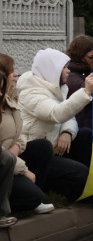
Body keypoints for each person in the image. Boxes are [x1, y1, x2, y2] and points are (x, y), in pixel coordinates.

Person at [18, 48, 93, 170]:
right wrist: (86, 92)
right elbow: (56, 113)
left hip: (53, 144)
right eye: (64, 67)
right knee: (80, 173)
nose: (68, 71)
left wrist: (67, 132)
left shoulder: (56, 87)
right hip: (37, 154)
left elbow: (69, 114)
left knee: (85, 134)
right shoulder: (31, 92)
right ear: (52, 69)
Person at [0, 54, 57, 215]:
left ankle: (34, 197)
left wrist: (17, 146)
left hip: (12, 157)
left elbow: (21, 133)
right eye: (11, 71)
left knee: (43, 147)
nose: (16, 74)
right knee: (32, 196)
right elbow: (57, 113)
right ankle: (11, 205)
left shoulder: (9, 100)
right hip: (4, 164)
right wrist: (23, 170)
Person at [64, 35, 93, 131]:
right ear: (79, 56)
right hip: (81, 130)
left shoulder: (89, 71)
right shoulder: (69, 74)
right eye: (91, 57)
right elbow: (89, 92)